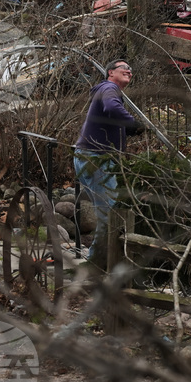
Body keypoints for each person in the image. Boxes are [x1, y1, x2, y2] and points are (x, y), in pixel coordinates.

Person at [73, 59, 145, 265]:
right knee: (110, 213)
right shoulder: (109, 88)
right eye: (125, 68)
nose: (129, 72)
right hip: (96, 159)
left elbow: (111, 116)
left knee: (110, 210)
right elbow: (112, 108)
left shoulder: (108, 90)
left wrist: (130, 129)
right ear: (111, 72)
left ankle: (103, 259)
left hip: (94, 157)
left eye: (132, 70)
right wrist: (132, 122)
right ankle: (96, 263)